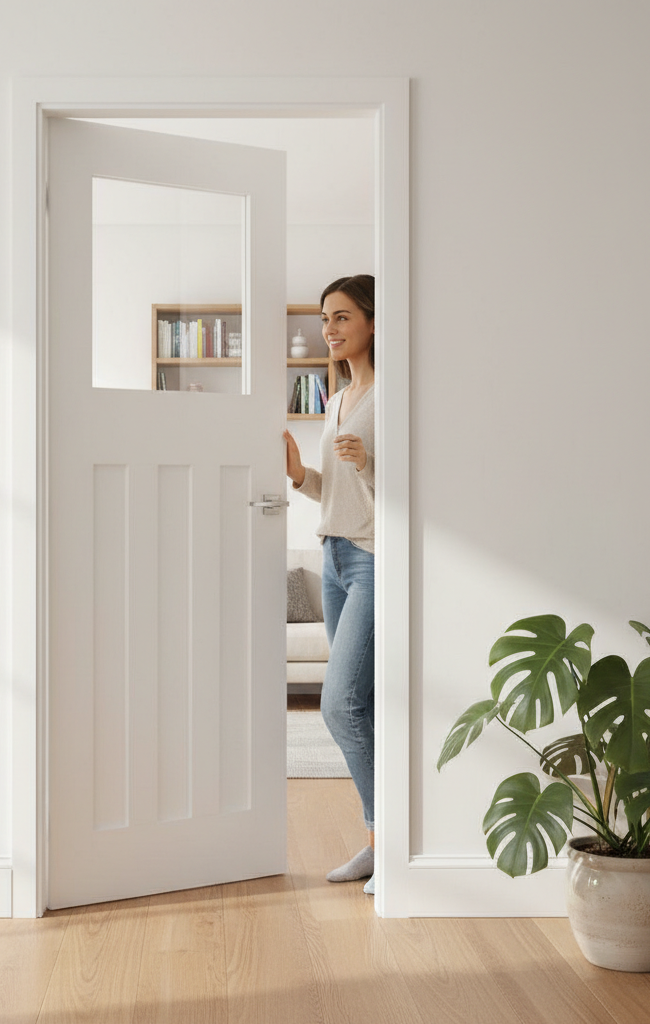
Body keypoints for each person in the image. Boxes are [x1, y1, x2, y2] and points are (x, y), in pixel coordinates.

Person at [283, 274, 377, 895]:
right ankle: (379, 845)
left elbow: (415, 490)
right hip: (334, 556)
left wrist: (371, 464)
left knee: (338, 704)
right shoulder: (338, 397)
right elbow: (336, 490)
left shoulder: (393, 395)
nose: (331, 329)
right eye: (325, 319)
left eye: (342, 317)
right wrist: (300, 475)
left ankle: (389, 843)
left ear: (373, 321)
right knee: (361, 707)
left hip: (373, 559)